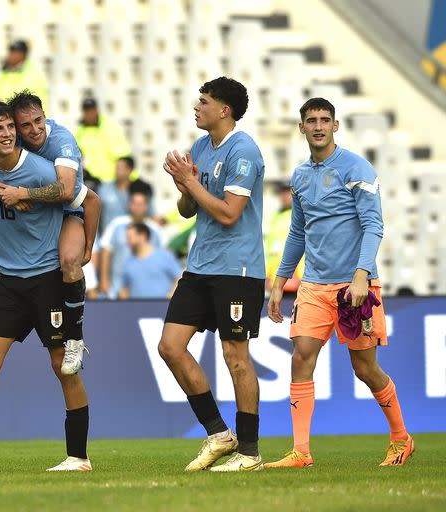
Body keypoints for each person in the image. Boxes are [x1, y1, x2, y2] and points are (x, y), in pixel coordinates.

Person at [0, 101, 92, 473]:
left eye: (11, 126)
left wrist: (86, 246)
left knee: (63, 368)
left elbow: (88, 200)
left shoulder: (42, 172)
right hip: (9, 283)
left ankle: (78, 457)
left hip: (47, 281)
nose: (8, 133)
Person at [265, 98, 414, 468]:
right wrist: (279, 281)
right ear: (301, 127)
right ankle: (301, 451)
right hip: (313, 285)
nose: (318, 126)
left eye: (324, 120)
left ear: (336, 125)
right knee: (301, 356)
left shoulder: (356, 168)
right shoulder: (299, 177)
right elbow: (297, 232)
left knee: (364, 368)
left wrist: (362, 276)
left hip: (354, 287)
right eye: (311, 120)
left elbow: (373, 224)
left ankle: (401, 438)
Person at [0, 91, 102, 377]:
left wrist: (89, 245)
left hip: (67, 212)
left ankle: (76, 340)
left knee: (69, 260)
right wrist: (5, 192)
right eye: (25, 125)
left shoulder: (61, 141)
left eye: (38, 121)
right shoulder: (7, 135)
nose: (34, 130)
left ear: (45, 116)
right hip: (30, 214)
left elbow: (70, 193)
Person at [160, 77, 266, 472]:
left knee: (235, 357)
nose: (196, 106)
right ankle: (220, 434)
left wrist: (190, 181)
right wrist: (183, 185)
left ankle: (250, 453)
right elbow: (189, 210)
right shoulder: (201, 147)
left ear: (224, 110)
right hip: (200, 266)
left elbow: (228, 213)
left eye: (203, 102)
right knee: (170, 346)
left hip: (237, 269)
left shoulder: (244, 150)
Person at [98, 190, 162, 299]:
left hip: (146, 289)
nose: (138, 207)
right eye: (135, 204)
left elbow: (160, 257)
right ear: (129, 205)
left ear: (146, 206)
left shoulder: (155, 229)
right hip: (116, 287)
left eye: (141, 204)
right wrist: (104, 280)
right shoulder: (116, 224)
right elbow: (106, 250)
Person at [74, 98, 131, 183]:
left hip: (110, 180)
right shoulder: (79, 131)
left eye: (91, 110)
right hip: (90, 180)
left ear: (97, 110)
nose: (89, 114)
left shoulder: (111, 127)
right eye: (86, 111)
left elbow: (123, 155)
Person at [119, 223, 182, 299]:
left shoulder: (165, 256)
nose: (127, 242)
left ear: (142, 236)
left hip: (162, 308)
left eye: (129, 238)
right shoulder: (128, 263)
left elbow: (179, 277)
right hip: (136, 309)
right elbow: (124, 289)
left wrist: (171, 295)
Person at [264, 180, 303, 294]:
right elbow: (270, 250)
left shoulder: (300, 215)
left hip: (297, 278)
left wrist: (301, 275)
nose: (284, 196)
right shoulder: (276, 217)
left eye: (288, 193)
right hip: (276, 279)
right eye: (282, 193)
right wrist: (267, 275)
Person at [97, 156, 153, 233]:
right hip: (107, 237)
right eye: (116, 168)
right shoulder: (103, 189)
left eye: (121, 168)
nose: (117, 171)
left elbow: (150, 213)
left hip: (132, 238)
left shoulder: (140, 189)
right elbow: (96, 213)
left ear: (130, 170)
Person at [0, 40, 49, 107]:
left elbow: (39, 103)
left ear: (24, 55)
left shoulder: (34, 75)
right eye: (11, 52)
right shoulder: (5, 73)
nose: (12, 55)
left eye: (17, 52)